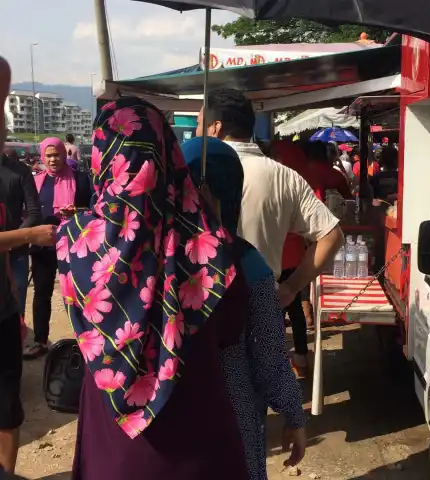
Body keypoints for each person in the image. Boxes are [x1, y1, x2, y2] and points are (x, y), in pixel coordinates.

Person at [64, 97, 252, 480]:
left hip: (112, 456)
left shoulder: (75, 243)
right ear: (168, 153)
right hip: (200, 448)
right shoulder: (213, 246)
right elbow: (231, 331)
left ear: (102, 157)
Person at [183, 137, 306, 479]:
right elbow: (269, 353)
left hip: (171, 420)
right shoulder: (247, 262)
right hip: (234, 414)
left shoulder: (151, 262)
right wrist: (293, 416)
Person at [196, 88, 344, 309]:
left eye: (198, 124)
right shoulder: (285, 176)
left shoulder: (197, 172)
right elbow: (332, 236)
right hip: (264, 302)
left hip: (207, 304)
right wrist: (291, 287)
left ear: (215, 128)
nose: (196, 131)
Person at [0, 56, 57, 476]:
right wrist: (26, 237)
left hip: (3, 300)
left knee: (6, 404)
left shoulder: (16, 171)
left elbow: (34, 209)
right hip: (22, 253)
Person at [23, 138, 91, 360]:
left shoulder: (81, 180)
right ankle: (41, 341)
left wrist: (77, 211)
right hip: (43, 248)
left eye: (57, 155)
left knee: (77, 295)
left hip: (72, 246)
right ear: (43, 157)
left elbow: (92, 209)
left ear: (64, 154)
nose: (53, 159)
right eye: (49, 156)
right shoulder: (35, 182)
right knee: (41, 293)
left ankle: (85, 343)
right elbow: (30, 212)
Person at [270, 140, 315, 375]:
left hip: (271, 255)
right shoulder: (292, 184)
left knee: (274, 312)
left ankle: (280, 361)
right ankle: (301, 358)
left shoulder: (260, 185)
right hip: (292, 254)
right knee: (294, 308)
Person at [0, 137, 42, 321]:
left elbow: (34, 212)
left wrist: (14, 239)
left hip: (16, 253)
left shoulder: (20, 172)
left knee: (16, 312)